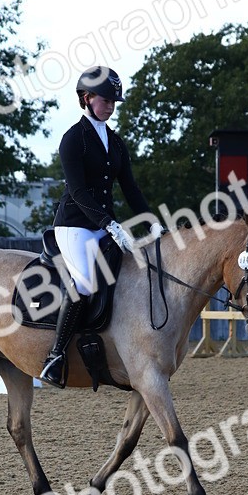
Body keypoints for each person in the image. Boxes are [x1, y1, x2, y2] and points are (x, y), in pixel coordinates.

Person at [39, 65, 165, 388]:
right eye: (105, 99)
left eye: (114, 101)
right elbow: (78, 192)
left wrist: (152, 225)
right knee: (82, 284)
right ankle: (55, 356)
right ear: (87, 97)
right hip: (74, 226)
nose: (110, 106)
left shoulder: (116, 142)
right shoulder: (72, 140)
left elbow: (131, 190)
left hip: (104, 226)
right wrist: (108, 222)